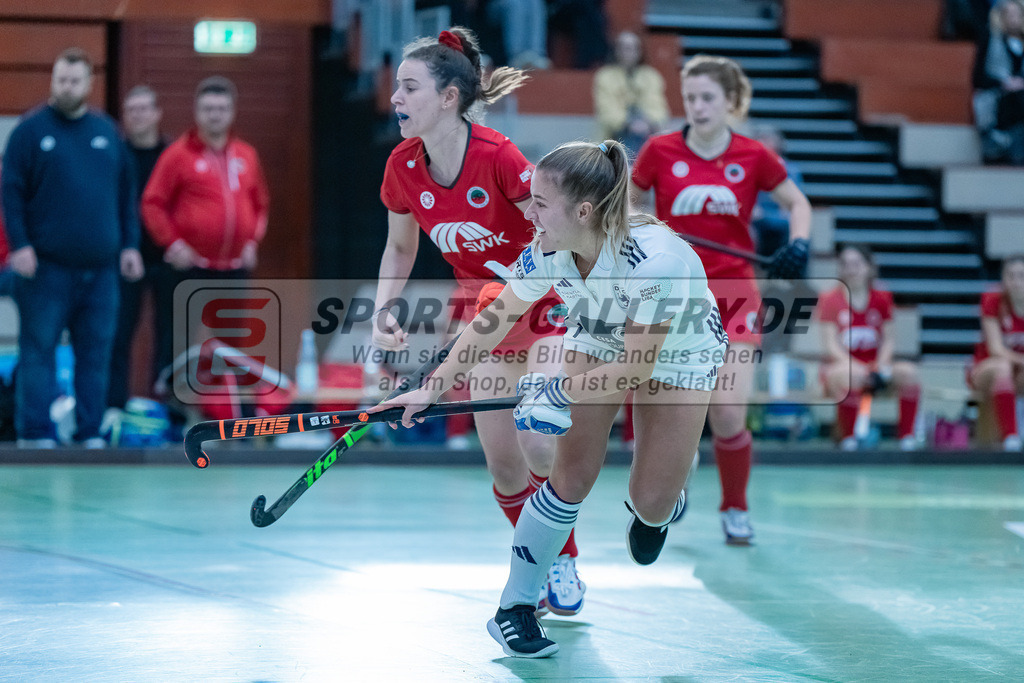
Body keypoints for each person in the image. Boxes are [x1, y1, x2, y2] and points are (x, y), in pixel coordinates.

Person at [370, 139, 728, 658]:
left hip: (679, 354)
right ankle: (514, 608)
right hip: (597, 332)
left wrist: (555, 388)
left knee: (651, 504)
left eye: (539, 203)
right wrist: (432, 386)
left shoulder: (657, 262)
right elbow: (492, 321)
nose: (528, 213)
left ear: (584, 211)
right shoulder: (547, 249)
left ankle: (672, 482)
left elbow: (636, 366)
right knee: (569, 479)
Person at [376, 27, 584, 616]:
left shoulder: (499, 155)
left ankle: (561, 557)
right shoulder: (402, 166)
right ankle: (539, 564)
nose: (396, 98)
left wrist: (518, 287)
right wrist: (383, 313)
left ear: (448, 97)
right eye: (396, 87)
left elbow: (552, 235)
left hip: (542, 305)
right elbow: (399, 249)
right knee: (504, 465)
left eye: (409, 87)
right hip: (482, 315)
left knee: (539, 439)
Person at [631, 54, 812, 545]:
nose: (697, 106)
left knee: (728, 411)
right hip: (673, 295)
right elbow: (626, 200)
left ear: (731, 102)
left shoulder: (754, 155)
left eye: (708, 97)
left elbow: (798, 203)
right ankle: (675, 476)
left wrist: (798, 242)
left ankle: (735, 508)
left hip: (734, 295)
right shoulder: (659, 150)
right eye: (690, 98)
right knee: (662, 407)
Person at [1, 47, 143, 448]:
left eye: (74, 80)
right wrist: (21, 245)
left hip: (101, 273)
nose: (66, 87)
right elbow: (11, 194)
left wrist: (129, 246)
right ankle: (35, 434)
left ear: (89, 84)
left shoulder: (107, 133)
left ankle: (88, 434)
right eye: (60, 79)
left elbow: (125, 196)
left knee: (95, 355)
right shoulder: (29, 132)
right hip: (45, 269)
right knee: (38, 352)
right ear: (52, 80)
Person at [141, 75, 270, 382]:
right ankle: (170, 416)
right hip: (190, 268)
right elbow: (151, 203)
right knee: (176, 344)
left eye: (222, 108)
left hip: (235, 269)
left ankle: (230, 416)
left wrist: (252, 242)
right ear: (197, 112)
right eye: (208, 108)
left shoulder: (246, 155)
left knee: (234, 346)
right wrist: (172, 244)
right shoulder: (177, 155)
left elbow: (260, 204)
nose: (215, 114)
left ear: (232, 111)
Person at [816, 244, 922, 451]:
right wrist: (858, 367)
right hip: (840, 368)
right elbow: (831, 346)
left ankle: (907, 437)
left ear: (869, 268)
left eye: (856, 264)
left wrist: (880, 364)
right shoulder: (830, 299)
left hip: (875, 367)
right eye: (845, 264)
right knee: (851, 375)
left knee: (909, 373)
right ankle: (849, 439)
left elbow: (889, 339)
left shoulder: (882, 298)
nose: (851, 269)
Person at [106, 85, 172, 414]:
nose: (138, 116)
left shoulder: (173, 155)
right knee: (117, 334)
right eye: (131, 110)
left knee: (171, 338)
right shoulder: (113, 153)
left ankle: (167, 410)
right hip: (123, 259)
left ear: (157, 113)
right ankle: (113, 406)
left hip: (168, 259)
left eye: (144, 109)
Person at [968, 255, 1024, 450]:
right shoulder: (992, 300)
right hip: (986, 368)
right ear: (1003, 278)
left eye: (1021, 276)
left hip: (1019, 372)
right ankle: (1011, 438)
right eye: (1011, 276)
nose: (1016, 282)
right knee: (1003, 367)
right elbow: (996, 349)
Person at [593, 30, 669, 157]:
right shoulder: (604, 76)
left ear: (640, 51)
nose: (628, 52)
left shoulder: (650, 76)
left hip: (646, 134)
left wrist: (647, 123)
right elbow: (607, 110)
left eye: (632, 48)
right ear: (616, 50)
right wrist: (628, 123)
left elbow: (657, 107)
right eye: (623, 48)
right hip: (613, 136)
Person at [975, 0, 1024, 164]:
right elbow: (978, 79)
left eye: (1017, 14)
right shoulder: (990, 40)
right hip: (996, 96)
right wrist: (1004, 83)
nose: (1013, 19)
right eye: (1008, 14)